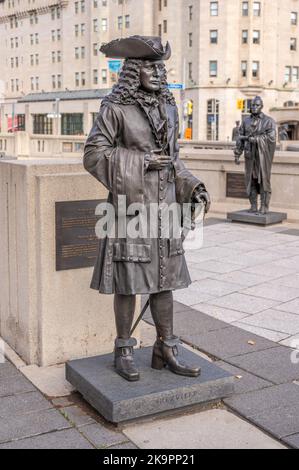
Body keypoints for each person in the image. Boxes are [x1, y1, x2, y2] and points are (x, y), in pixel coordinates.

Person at [83, 36, 210, 382]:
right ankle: (123, 348)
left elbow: (173, 161)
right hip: (131, 209)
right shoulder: (115, 108)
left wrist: (192, 185)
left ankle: (165, 347)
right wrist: (140, 162)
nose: (157, 72)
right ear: (133, 70)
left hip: (165, 208)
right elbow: (93, 155)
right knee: (129, 280)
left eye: (160, 67)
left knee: (163, 280)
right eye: (150, 66)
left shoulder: (169, 107)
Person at [234, 97, 276, 215]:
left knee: (263, 181)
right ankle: (253, 206)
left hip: (262, 156)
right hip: (249, 156)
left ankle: (264, 206)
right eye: (252, 105)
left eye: (257, 105)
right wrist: (237, 154)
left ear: (261, 106)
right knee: (250, 180)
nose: (254, 107)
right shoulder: (246, 121)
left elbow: (271, 138)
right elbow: (240, 138)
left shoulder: (269, 121)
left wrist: (256, 139)